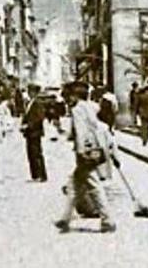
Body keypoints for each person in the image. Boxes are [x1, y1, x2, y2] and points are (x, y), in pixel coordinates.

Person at [55, 81, 116, 233]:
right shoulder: (91, 106)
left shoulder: (78, 110)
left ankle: (108, 219)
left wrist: (82, 151)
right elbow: (98, 127)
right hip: (94, 149)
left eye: (69, 96)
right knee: (74, 186)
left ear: (75, 95)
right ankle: (65, 219)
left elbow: (82, 131)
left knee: (93, 186)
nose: (68, 99)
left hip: (85, 153)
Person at [20, 84, 47, 182]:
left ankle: (41, 175)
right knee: (31, 154)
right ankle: (35, 175)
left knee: (36, 154)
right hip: (30, 133)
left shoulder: (37, 103)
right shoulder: (29, 103)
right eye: (29, 91)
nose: (29, 93)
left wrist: (28, 125)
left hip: (35, 132)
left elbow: (39, 118)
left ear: (35, 93)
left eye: (31, 91)